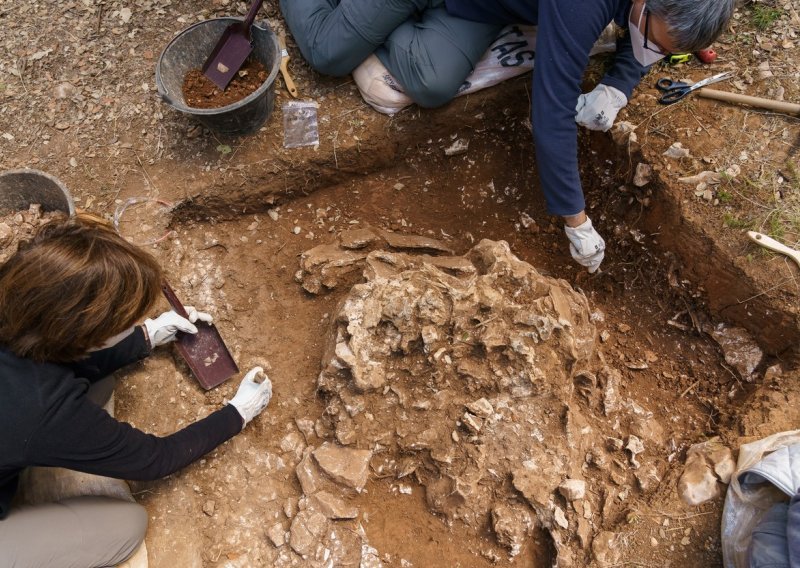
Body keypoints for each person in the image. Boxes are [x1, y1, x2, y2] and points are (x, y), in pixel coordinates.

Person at [281, 0, 735, 272]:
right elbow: (551, 107)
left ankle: (382, 21)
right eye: (653, 41)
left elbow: (650, 38)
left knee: (432, 82)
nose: (655, 52)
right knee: (329, 51)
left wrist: (619, 82)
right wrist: (576, 220)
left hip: (484, 5)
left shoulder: (660, 10)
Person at [0, 213, 273, 567]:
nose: (132, 324)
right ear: (78, 333)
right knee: (126, 526)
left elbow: (58, 358)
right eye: (124, 323)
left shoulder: (13, 299)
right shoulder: (41, 408)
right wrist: (238, 413)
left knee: (99, 383)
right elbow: (153, 459)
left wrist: (147, 336)